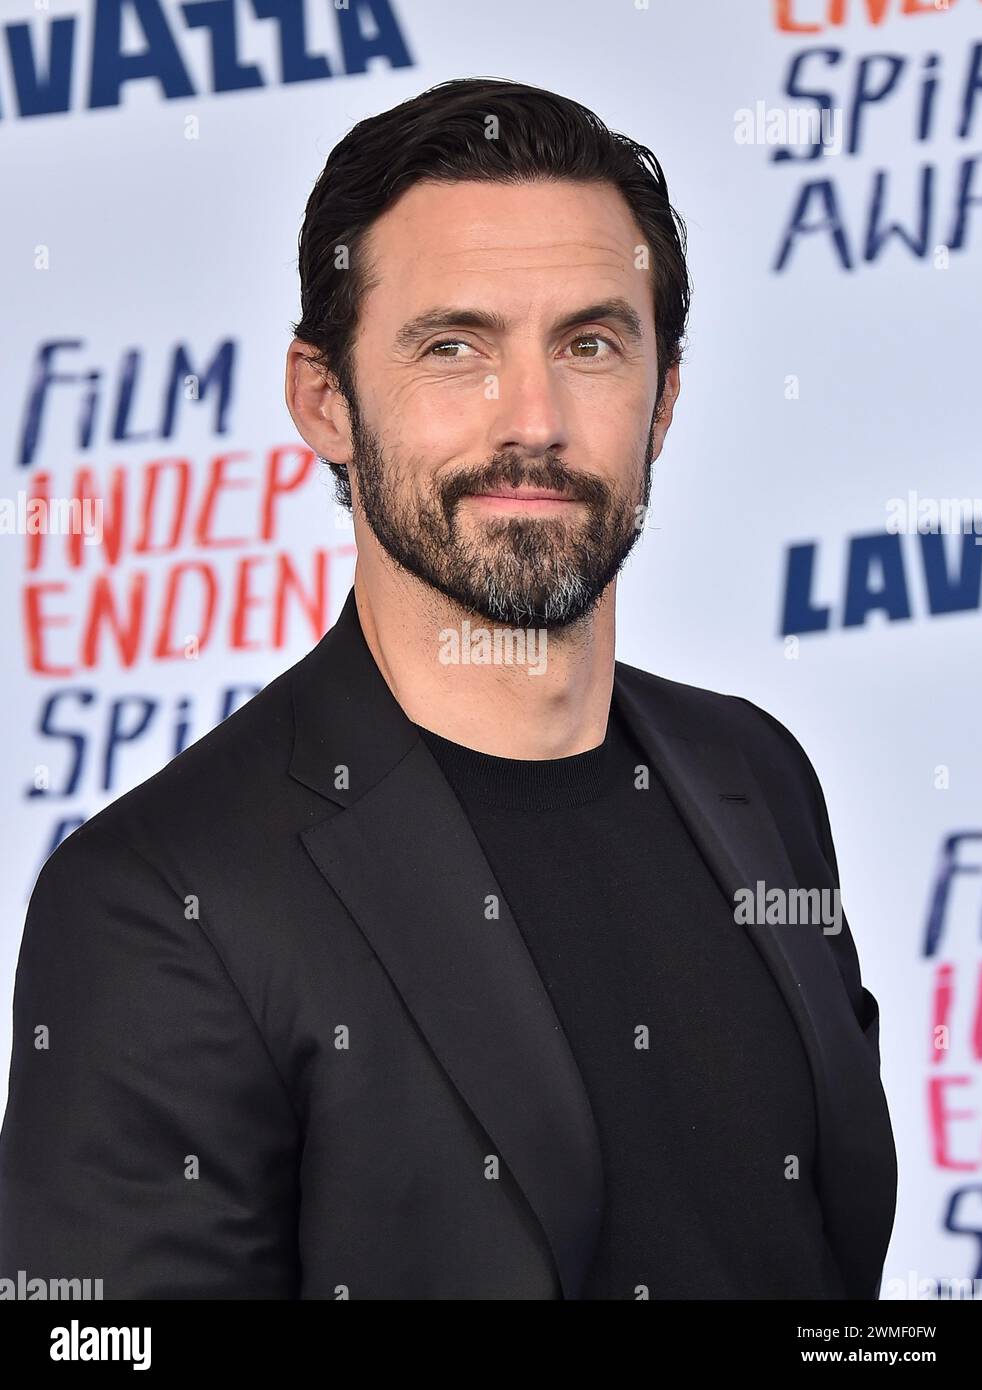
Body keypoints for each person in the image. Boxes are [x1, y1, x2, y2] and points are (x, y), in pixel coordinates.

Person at [0, 77, 896, 1300]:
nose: (531, 420)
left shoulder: (756, 774)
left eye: (588, 344)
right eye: (453, 347)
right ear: (325, 400)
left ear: (664, 399)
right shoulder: (161, 898)